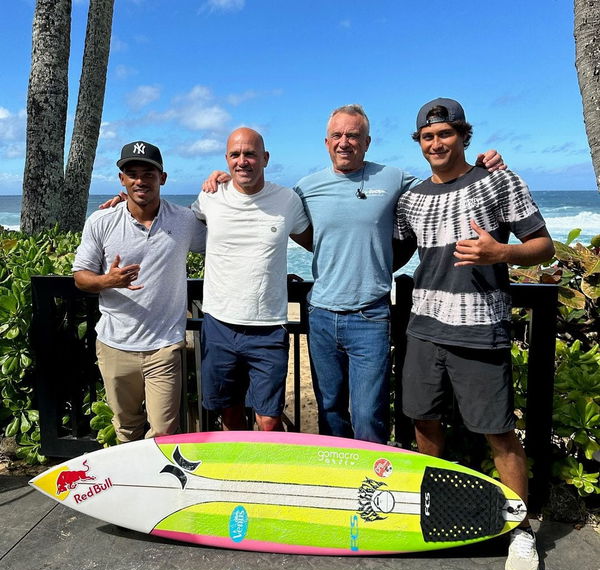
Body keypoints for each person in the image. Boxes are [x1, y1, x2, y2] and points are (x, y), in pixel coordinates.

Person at [204, 105, 504, 444]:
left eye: (353, 136)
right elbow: (304, 235)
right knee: (330, 409)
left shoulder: (393, 179)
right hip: (320, 315)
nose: (344, 142)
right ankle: (340, 483)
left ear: (367, 141)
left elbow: (441, 184)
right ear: (326, 142)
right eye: (337, 136)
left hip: (370, 316)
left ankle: (372, 485)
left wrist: (480, 168)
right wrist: (224, 179)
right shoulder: (305, 188)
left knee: (367, 413)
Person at [394, 98, 554, 570]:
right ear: (419, 144)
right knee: (423, 423)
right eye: (428, 136)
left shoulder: (498, 180)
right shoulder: (411, 198)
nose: (437, 143)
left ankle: (520, 531)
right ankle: (433, 512)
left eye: (445, 134)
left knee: (498, 430)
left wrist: (501, 251)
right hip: (423, 326)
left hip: (481, 329)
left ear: (463, 135)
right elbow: (393, 247)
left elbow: (542, 245)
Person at [73, 141, 207, 442]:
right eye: (131, 173)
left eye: (148, 173)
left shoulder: (184, 221)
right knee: (126, 430)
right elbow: (80, 277)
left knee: (163, 433)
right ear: (122, 179)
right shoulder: (101, 221)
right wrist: (109, 281)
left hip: (164, 346)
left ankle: (157, 486)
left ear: (163, 178)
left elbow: (224, 239)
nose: (140, 180)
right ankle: (133, 488)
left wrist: (224, 188)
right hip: (114, 344)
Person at [191, 128, 311, 431]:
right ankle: (238, 473)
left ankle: (267, 473)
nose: (243, 161)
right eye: (235, 154)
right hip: (219, 322)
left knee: (268, 417)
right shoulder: (210, 196)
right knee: (228, 411)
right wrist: (124, 207)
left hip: (269, 326)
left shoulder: (287, 200)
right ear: (226, 160)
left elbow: (314, 240)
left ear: (265, 158)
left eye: (250, 154)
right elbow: (172, 222)